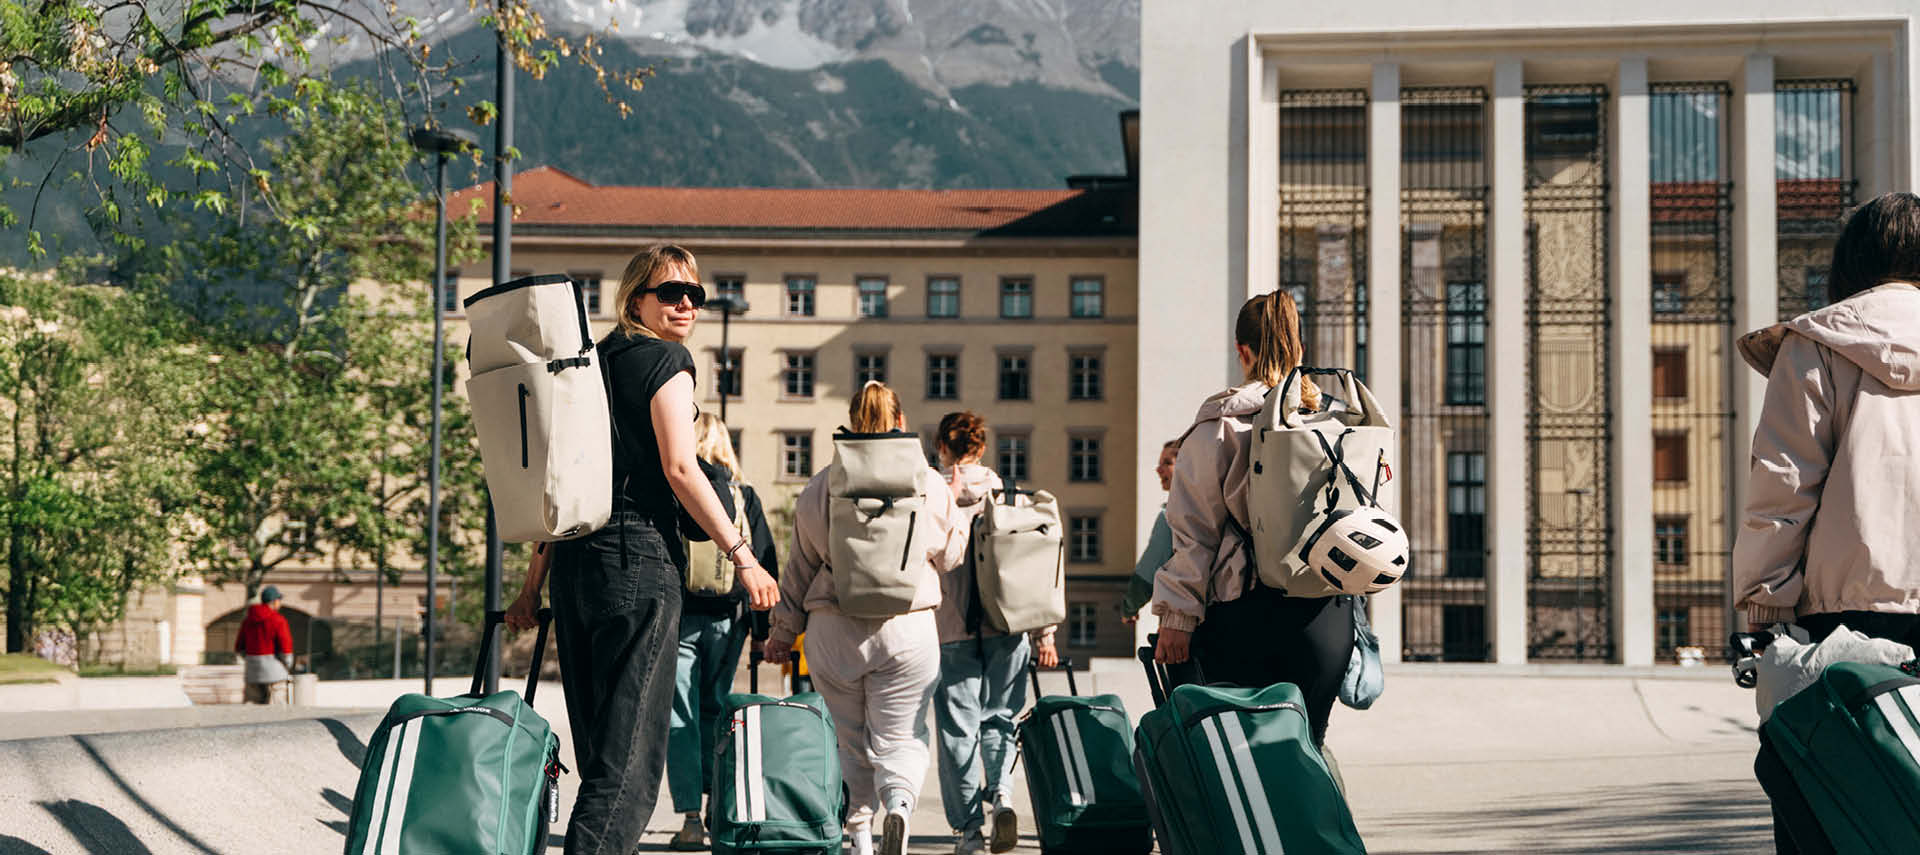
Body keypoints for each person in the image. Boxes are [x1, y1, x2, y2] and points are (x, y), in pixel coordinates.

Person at [505, 244, 778, 855]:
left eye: (695, 296)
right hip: (637, 562)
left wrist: (531, 587)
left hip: (576, 566)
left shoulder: (585, 365)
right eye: (670, 294)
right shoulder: (666, 360)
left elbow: (560, 480)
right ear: (636, 300)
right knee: (628, 767)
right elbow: (683, 468)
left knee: (603, 753)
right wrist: (745, 556)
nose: (686, 305)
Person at [1731, 192, 1920, 854]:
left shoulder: (1817, 347)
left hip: (1840, 635)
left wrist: (1761, 629)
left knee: (1838, 814)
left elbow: (1780, 498)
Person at [763, 382, 968, 855]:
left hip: (834, 627)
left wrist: (781, 633)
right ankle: (897, 803)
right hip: (908, 623)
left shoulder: (823, 482)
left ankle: (858, 836)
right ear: (900, 422)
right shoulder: (927, 480)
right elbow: (953, 556)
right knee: (902, 735)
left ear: (853, 422)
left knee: (850, 741)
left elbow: (799, 567)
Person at [1150, 290, 1356, 749]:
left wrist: (1178, 618)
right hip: (1328, 620)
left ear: (1242, 351)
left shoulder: (1222, 426)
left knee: (1243, 758)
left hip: (1246, 615)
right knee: (1306, 750)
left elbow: (1194, 532)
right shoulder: (1333, 422)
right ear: (1298, 350)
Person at [929, 411, 1059, 855]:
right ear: (981, 448)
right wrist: (1046, 635)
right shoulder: (1010, 495)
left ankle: (967, 832)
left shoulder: (930, 491)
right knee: (1000, 719)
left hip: (949, 629)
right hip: (1009, 624)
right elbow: (1037, 566)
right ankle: (1002, 794)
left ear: (941, 447)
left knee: (957, 731)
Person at [667, 412, 780, 851]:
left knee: (681, 716)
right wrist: (763, 630)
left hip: (680, 616)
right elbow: (765, 558)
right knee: (717, 711)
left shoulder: (678, 492)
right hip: (729, 618)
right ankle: (720, 807)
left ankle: (691, 818)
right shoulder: (743, 495)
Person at [1122, 439, 1182, 626]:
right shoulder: (1208, 508)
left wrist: (1129, 607)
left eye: (1167, 463)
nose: (1158, 469)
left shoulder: (1170, 517)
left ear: (1186, 467)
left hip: (1178, 624)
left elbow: (1148, 572)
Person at [236, 585, 294, 704]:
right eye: (279, 600)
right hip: (275, 671)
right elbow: (285, 645)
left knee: (253, 709)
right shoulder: (278, 620)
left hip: (253, 671)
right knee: (277, 709)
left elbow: (239, 646)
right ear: (274, 601)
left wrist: (249, 659)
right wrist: (287, 663)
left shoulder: (248, 620)